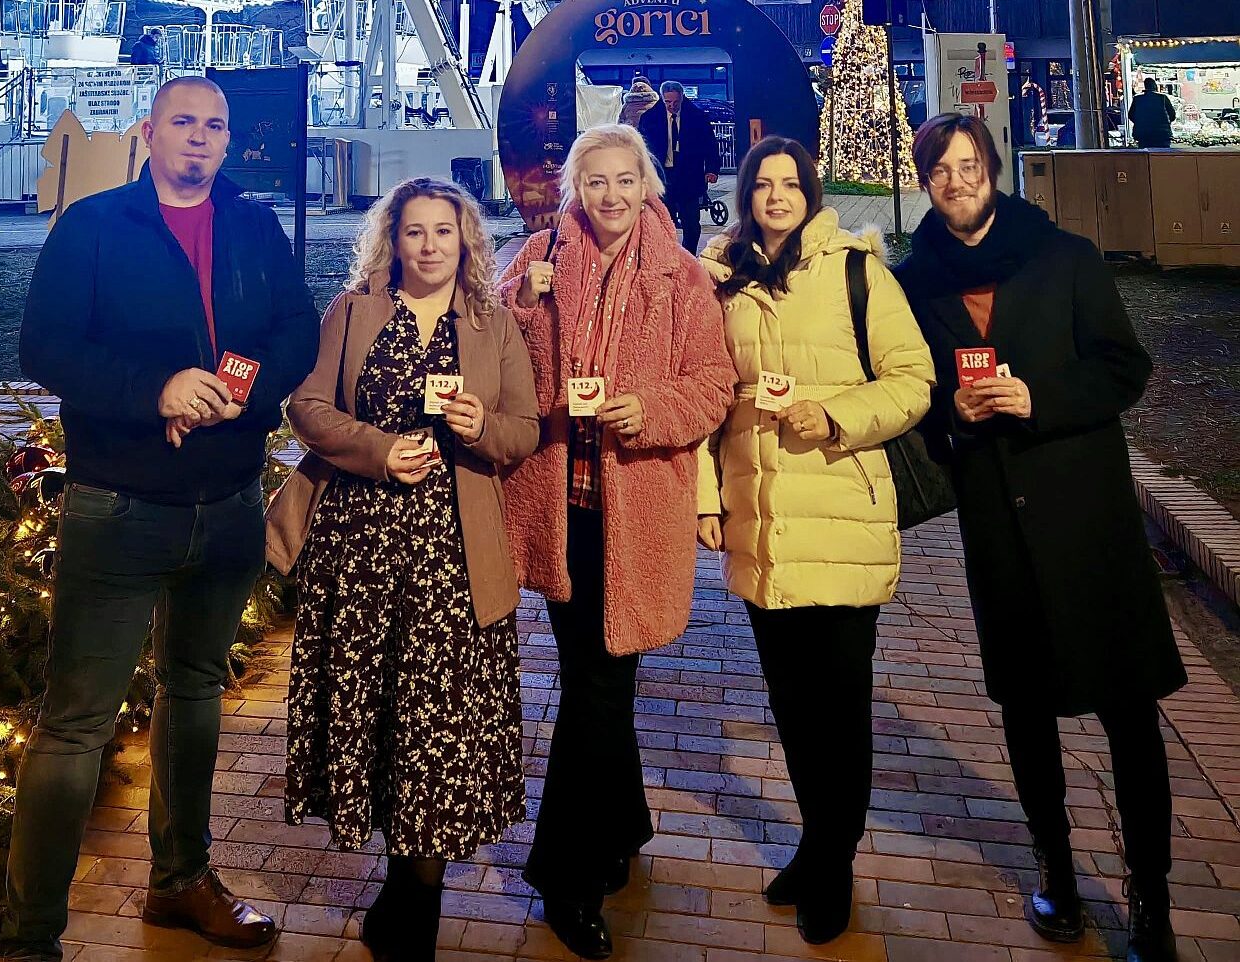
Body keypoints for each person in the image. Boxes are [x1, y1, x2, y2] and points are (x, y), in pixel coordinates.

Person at [0, 76, 320, 961]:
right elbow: (46, 345)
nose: (200, 137)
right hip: (120, 506)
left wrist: (238, 395)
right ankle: (30, 936)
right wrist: (157, 392)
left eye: (215, 125)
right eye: (183, 121)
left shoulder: (254, 225)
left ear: (228, 140)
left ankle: (181, 881)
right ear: (150, 132)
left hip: (230, 503)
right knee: (77, 724)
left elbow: (297, 328)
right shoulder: (95, 226)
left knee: (195, 694)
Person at [894, 113, 1187, 962]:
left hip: (1089, 520)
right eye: (940, 171)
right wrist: (952, 412)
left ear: (992, 169)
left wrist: (1039, 399)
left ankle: (1152, 895)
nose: (956, 181)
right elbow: (915, 401)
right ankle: (1055, 870)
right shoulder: (915, 284)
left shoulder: (1066, 258)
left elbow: (1125, 367)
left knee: (1129, 714)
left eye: (968, 165)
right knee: (1026, 713)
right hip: (998, 522)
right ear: (925, 183)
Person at [269, 176, 539, 962]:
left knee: (438, 723)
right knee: (378, 710)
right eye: (414, 231)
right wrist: (380, 450)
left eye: (443, 232)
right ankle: (400, 884)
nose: (428, 246)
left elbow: (524, 429)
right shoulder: (353, 311)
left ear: (465, 240)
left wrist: (481, 426)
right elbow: (308, 408)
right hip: (360, 550)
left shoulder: (492, 322)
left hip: (455, 556)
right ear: (393, 239)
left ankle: (417, 897)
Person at [498, 123, 735, 959]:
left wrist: (654, 409)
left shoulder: (680, 275)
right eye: (594, 180)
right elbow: (497, 353)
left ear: (647, 186)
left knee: (600, 683)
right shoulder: (537, 257)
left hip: (637, 509)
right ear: (575, 186)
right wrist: (521, 300)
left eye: (624, 180)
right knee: (595, 681)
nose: (609, 195)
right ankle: (614, 831)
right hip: (561, 507)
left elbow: (714, 384)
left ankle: (570, 869)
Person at [696, 136, 934, 944]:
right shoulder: (723, 281)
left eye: (790, 184)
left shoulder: (857, 271)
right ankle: (815, 839)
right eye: (763, 184)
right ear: (746, 194)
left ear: (810, 194)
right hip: (761, 523)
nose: (776, 197)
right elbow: (709, 402)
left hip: (840, 515)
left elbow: (913, 379)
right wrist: (705, 499)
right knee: (793, 705)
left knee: (840, 706)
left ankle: (834, 861)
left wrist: (833, 416)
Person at [636, 80, 721, 254]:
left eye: (676, 102)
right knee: (663, 222)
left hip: (689, 176)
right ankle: (667, 256)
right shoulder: (649, 119)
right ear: (662, 98)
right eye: (668, 102)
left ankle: (689, 257)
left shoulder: (697, 118)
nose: (672, 106)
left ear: (682, 97)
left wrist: (712, 169)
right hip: (662, 177)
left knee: (691, 224)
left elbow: (710, 145)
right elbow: (642, 149)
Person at [1129, 77, 1177, 149]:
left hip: (1143, 134)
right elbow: (1172, 115)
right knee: (1163, 153)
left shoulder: (1137, 99)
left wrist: (1139, 123)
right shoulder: (1163, 98)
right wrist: (1166, 123)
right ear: (1155, 86)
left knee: (1146, 153)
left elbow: (1131, 115)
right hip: (1162, 134)